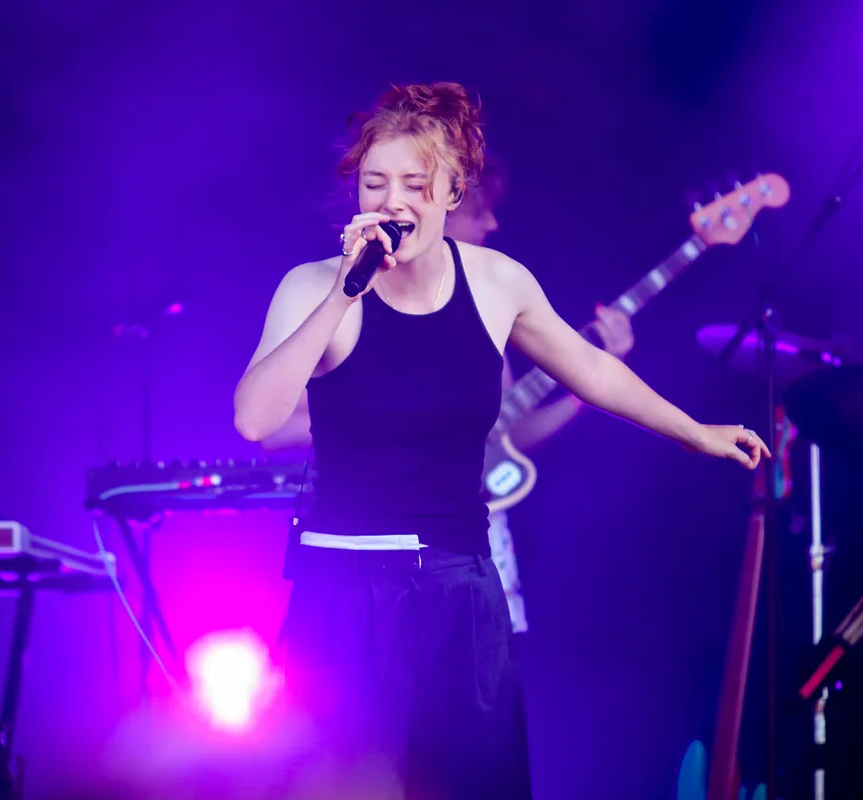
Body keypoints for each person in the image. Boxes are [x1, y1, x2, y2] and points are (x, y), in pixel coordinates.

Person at [233, 81, 769, 799]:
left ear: (453, 192)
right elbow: (255, 419)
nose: (393, 200)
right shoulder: (312, 286)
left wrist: (692, 431)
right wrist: (343, 295)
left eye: (416, 184)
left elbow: (590, 370)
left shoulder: (496, 283)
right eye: (375, 183)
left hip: (460, 589)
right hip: (344, 589)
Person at [259, 154, 637, 635]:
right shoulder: (344, 299)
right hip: (366, 552)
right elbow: (269, 429)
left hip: (463, 552)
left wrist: (586, 392)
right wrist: (380, 415)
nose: (492, 223)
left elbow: (507, 434)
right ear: (442, 209)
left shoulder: (488, 305)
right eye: (480, 210)